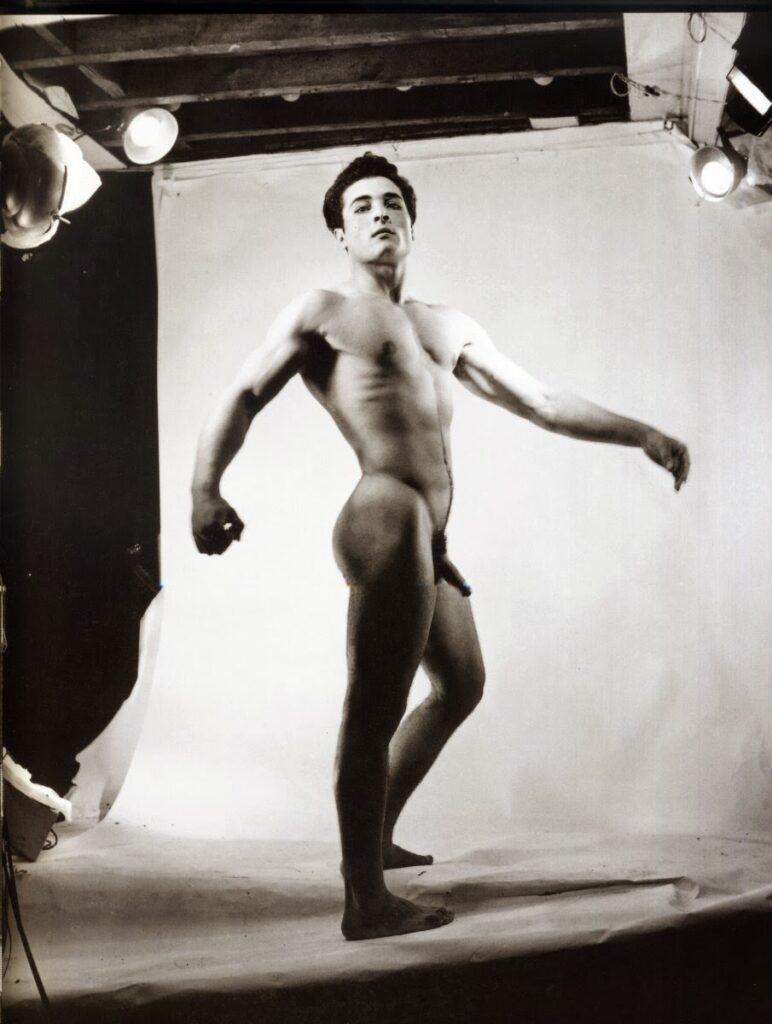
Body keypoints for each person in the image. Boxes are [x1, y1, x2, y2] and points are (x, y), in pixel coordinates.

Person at [191, 152, 690, 941]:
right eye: (361, 206)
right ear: (339, 233)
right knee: (374, 703)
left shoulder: (443, 325)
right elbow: (244, 393)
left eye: (392, 202)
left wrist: (643, 434)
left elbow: (540, 401)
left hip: (428, 533)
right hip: (385, 512)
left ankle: (376, 836)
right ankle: (364, 898)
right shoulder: (323, 311)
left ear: (412, 224)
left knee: (461, 683)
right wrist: (205, 489)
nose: (379, 213)